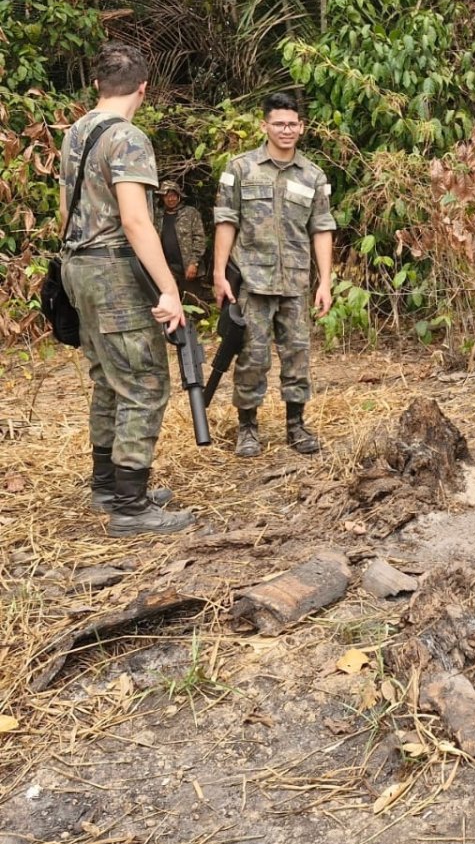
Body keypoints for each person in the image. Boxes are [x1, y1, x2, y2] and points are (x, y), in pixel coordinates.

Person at [58, 43, 197, 535]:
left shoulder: (76, 132)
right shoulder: (128, 137)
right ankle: (131, 507)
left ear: (98, 85)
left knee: (108, 379)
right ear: (143, 88)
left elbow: (65, 211)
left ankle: (107, 485)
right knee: (143, 382)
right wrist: (169, 289)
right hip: (113, 272)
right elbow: (136, 221)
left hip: (77, 267)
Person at [212, 91, 335, 457]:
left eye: (292, 124)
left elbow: (322, 228)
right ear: (264, 125)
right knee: (252, 357)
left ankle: (296, 425)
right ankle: (247, 427)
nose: (286, 130)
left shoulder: (313, 175)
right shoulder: (240, 169)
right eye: (279, 123)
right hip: (252, 283)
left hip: (296, 284)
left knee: (297, 356)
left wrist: (325, 281)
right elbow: (225, 220)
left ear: (302, 127)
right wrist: (219, 272)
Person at [155, 180, 206, 295]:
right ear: (162, 198)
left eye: (173, 195)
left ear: (179, 196)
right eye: (166, 196)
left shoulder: (190, 213)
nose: (170, 199)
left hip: (188, 267)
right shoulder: (159, 216)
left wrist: (194, 263)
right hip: (168, 269)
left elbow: (200, 239)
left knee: (193, 303)